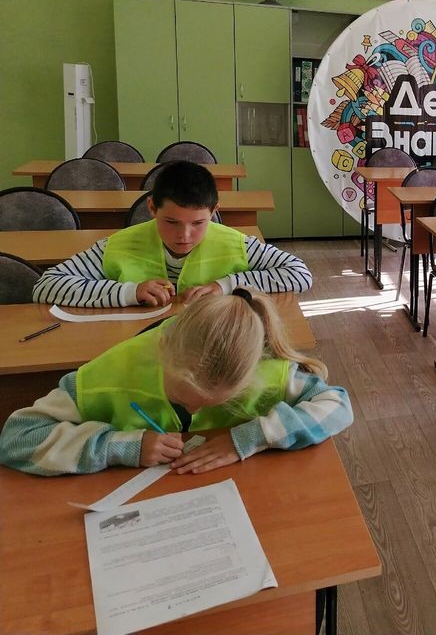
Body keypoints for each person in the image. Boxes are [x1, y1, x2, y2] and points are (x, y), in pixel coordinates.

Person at [0, 289, 352, 476]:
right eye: (182, 399)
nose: (194, 410)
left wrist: (247, 438)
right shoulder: (113, 371)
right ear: (162, 348)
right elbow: (16, 439)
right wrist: (121, 446)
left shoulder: (265, 370)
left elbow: (337, 406)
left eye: (214, 403)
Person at [32, 160, 312, 307]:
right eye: (171, 222)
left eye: (198, 223)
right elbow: (46, 286)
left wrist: (225, 286)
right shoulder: (118, 245)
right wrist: (130, 292)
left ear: (214, 212)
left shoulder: (236, 243)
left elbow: (300, 274)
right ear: (152, 208)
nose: (185, 235)